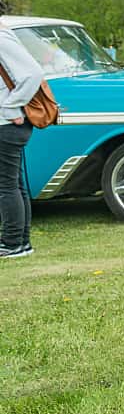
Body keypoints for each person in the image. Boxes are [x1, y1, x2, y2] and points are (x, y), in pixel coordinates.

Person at [0, 21, 47, 259]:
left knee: (6, 186)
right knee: (14, 184)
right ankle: (20, 242)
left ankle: (12, 243)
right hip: (10, 123)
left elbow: (33, 72)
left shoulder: (1, 37)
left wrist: (10, 107)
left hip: (7, 124)